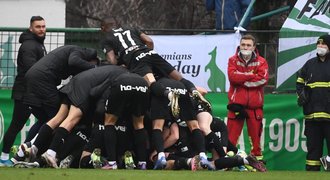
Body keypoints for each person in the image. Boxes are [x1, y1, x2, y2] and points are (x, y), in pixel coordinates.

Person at [100, 16, 211, 118]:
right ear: (116, 23)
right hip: (149, 52)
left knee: (152, 83)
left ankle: (170, 95)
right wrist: (148, 52)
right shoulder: (130, 28)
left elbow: (112, 61)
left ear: (103, 28)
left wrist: (122, 61)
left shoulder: (107, 37)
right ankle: (193, 90)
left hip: (136, 58)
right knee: (179, 78)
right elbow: (149, 41)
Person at [0, 16, 46, 167]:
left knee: (46, 120)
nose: (41, 29)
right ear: (31, 28)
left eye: (43, 26)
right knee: (16, 125)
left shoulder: (37, 44)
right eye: (38, 27)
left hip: (34, 92)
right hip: (26, 93)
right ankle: (4, 157)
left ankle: (25, 150)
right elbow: (31, 70)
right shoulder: (29, 46)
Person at [226, 34, 269, 161]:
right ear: (239, 45)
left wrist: (242, 79)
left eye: (248, 45)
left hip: (255, 107)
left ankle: (257, 162)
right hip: (236, 105)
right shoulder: (232, 60)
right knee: (231, 138)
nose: (245, 47)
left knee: (256, 140)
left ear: (254, 47)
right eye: (243, 44)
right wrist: (250, 75)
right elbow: (232, 77)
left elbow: (263, 80)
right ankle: (229, 162)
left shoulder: (262, 61)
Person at [296, 34, 330, 171]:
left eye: (324, 45)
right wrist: (301, 94)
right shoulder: (309, 64)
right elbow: (299, 82)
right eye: (319, 44)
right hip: (312, 116)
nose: (320, 47)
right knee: (313, 151)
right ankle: (311, 174)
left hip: (329, 115)